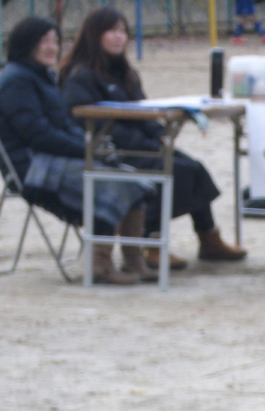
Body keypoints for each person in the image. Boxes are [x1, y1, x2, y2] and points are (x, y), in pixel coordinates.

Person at [59, 9, 246, 273]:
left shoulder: (125, 73)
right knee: (174, 170)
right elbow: (96, 124)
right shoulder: (81, 77)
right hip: (107, 152)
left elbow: (143, 111)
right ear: (94, 34)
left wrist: (159, 134)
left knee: (193, 166)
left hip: (139, 146)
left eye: (123, 31)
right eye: (112, 30)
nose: (119, 37)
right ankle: (151, 243)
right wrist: (145, 143)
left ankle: (209, 238)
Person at [0, 17, 152, 285]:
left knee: (131, 178)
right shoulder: (17, 81)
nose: (52, 47)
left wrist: (89, 148)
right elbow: (37, 135)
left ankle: (133, 260)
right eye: (43, 41)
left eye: (55, 41)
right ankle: (100, 265)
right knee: (112, 183)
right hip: (32, 166)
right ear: (26, 44)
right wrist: (84, 152)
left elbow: (65, 125)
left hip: (51, 158)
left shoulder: (41, 76)